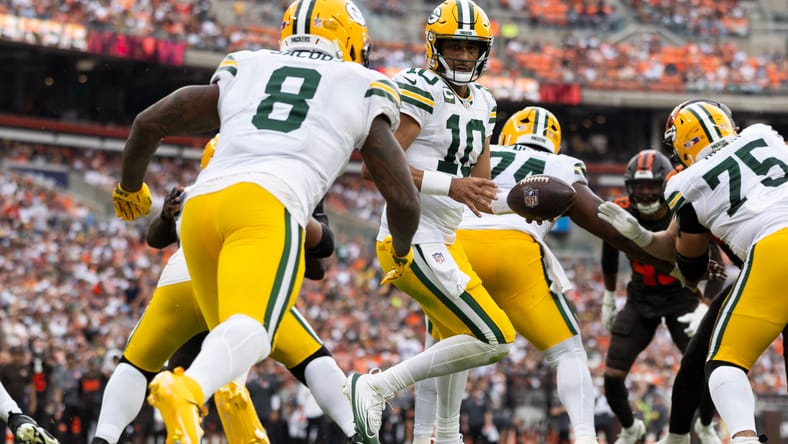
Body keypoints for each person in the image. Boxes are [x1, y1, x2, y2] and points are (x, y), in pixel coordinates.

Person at [111, 0, 421, 442]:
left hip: (200, 208)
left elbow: (150, 122)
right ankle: (187, 390)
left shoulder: (249, 65)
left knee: (230, 342)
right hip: (267, 203)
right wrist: (402, 253)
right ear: (351, 41)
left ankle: (214, 414)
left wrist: (129, 187)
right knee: (256, 333)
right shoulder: (361, 83)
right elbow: (404, 200)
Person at [419, 106, 686, 444]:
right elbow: (601, 222)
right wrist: (667, 263)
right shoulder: (559, 165)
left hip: (455, 250)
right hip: (515, 252)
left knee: (440, 349)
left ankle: (431, 435)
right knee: (568, 353)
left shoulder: (476, 153)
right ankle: (585, 437)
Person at [94, 135, 375, 444]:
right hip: (237, 282)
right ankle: (356, 432)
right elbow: (321, 259)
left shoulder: (199, 191)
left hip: (182, 280)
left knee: (138, 364)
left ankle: (104, 438)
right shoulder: (284, 181)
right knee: (310, 357)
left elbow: (158, 237)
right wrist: (299, 222)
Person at [346, 2, 514, 443]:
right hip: (412, 238)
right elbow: (375, 167)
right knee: (495, 337)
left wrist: (529, 201)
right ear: (434, 46)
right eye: (454, 45)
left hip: (447, 237)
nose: (463, 54)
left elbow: (481, 190)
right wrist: (450, 185)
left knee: (456, 338)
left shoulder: (484, 102)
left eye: (471, 47)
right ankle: (377, 386)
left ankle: (441, 435)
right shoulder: (421, 88)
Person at [602, 99, 788, 443]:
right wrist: (642, 236)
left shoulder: (684, 183)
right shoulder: (764, 134)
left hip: (776, 253)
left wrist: (648, 241)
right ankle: (680, 436)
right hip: (770, 260)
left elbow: (692, 264)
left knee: (723, 362)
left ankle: (743, 437)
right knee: (696, 358)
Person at [599, 149, 722, 444]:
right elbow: (609, 254)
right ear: (629, 187)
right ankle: (631, 428)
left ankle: (706, 425)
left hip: (682, 296)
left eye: (651, 186)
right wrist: (608, 296)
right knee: (612, 375)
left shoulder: (682, 209)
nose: (645, 193)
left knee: (709, 367)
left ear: (663, 185)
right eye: (639, 186)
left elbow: (716, 265)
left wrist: (705, 306)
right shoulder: (622, 210)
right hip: (641, 298)